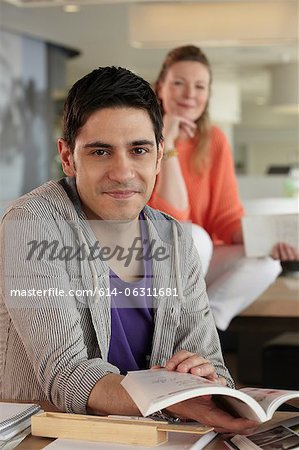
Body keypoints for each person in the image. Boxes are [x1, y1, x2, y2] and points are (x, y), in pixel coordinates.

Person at [0, 66, 257, 434]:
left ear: (158, 156)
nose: (122, 172)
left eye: (138, 150)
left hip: (156, 435)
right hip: (45, 436)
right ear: (68, 157)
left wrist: (202, 378)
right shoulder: (32, 223)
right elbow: (66, 374)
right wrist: (168, 397)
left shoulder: (174, 239)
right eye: (101, 152)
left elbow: (214, 366)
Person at [148, 45, 299, 331]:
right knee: (196, 239)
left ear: (207, 94)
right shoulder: (143, 137)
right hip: (153, 260)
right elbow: (171, 222)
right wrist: (168, 144)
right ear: (161, 88)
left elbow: (225, 218)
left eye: (199, 86)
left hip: (196, 260)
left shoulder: (214, 140)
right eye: (178, 83)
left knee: (266, 263)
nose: (190, 94)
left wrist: (269, 241)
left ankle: (204, 330)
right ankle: (167, 327)